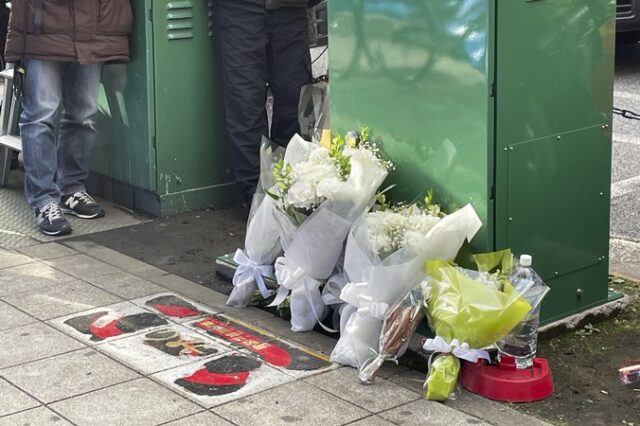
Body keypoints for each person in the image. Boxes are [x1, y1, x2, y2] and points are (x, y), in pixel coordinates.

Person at [4, 1, 133, 236]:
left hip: (93, 24)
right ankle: (44, 201)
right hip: (42, 24)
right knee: (40, 115)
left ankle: (72, 189)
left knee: (83, 114)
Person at [213, 0, 320, 205]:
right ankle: (256, 199)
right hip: (240, 11)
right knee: (245, 105)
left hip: (291, 10)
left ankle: (296, 195)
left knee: (295, 104)